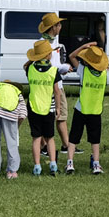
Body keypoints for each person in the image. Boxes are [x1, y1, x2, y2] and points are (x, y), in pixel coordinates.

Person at [66, 44, 109, 175]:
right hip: (95, 111)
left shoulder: (83, 70)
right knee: (95, 139)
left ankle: (70, 163)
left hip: (81, 109)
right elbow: (104, 63)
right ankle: (96, 164)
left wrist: (84, 47)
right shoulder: (104, 73)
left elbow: (71, 56)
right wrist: (100, 53)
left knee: (73, 138)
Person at [25, 39, 64, 176]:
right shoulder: (53, 71)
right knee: (50, 138)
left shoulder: (29, 69)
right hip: (49, 108)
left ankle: (37, 166)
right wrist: (58, 108)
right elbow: (57, 92)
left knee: (36, 138)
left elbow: (27, 66)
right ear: (48, 56)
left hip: (33, 106)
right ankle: (53, 165)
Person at [36, 12, 71, 157]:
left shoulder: (51, 41)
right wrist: (64, 68)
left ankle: (64, 145)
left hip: (55, 82)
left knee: (58, 115)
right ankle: (54, 146)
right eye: (58, 24)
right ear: (53, 27)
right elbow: (49, 66)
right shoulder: (45, 44)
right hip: (52, 86)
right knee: (55, 114)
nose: (61, 27)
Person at [0, 80, 27, 180]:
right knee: (11, 142)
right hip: (11, 114)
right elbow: (23, 114)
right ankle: (12, 171)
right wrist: (16, 127)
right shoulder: (17, 92)